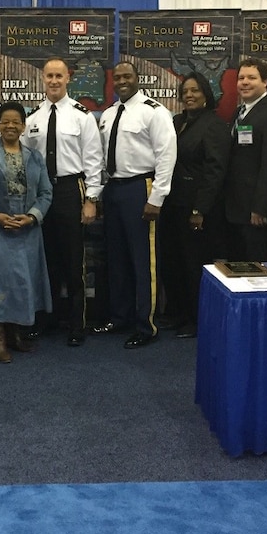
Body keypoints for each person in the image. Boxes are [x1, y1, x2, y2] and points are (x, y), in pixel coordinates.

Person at [22, 57, 104, 346]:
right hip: (42, 192)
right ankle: (48, 318)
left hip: (72, 189)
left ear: (68, 78)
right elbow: (26, 161)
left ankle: (76, 324)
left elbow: (94, 161)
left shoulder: (82, 116)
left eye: (59, 76)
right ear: (42, 79)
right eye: (49, 76)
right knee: (46, 258)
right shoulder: (32, 119)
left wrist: (91, 199)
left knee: (73, 259)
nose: (54, 81)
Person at [0, 102, 53, 363]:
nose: (11, 126)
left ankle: (16, 334)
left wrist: (32, 217)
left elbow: (46, 193)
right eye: (5, 121)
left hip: (26, 229)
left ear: (24, 126)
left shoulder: (35, 157)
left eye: (16, 121)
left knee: (20, 283)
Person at [97, 61, 177, 349]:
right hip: (114, 189)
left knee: (144, 260)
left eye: (127, 76)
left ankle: (147, 324)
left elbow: (166, 155)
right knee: (117, 258)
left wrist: (157, 197)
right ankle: (120, 317)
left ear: (137, 79)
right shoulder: (107, 114)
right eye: (117, 77)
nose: (121, 81)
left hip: (140, 188)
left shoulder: (153, 111)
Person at [157, 72, 230, 339]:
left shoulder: (214, 125)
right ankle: (177, 313)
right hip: (172, 204)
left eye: (195, 90)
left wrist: (200, 210)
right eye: (185, 91)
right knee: (173, 261)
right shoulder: (176, 122)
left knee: (194, 264)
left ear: (206, 94)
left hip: (198, 209)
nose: (189, 95)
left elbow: (215, 171)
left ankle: (197, 319)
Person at [223, 57, 267, 262]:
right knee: (236, 267)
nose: (245, 82)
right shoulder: (239, 112)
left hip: (256, 211)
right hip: (235, 208)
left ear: (265, 82)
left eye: (252, 78)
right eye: (241, 77)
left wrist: (260, 208)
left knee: (256, 269)